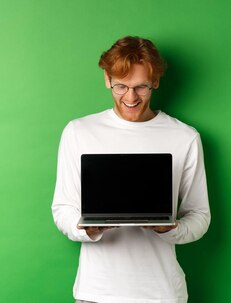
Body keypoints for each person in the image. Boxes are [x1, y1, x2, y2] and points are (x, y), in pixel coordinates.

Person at [51, 36, 211, 303]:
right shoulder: (79, 132)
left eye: (141, 87)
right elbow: (62, 209)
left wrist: (168, 229)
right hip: (96, 293)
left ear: (155, 82)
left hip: (161, 294)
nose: (131, 97)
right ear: (107, 79)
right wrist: (89, 229)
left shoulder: (184, 137)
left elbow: (200, 216)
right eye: (121, 87)